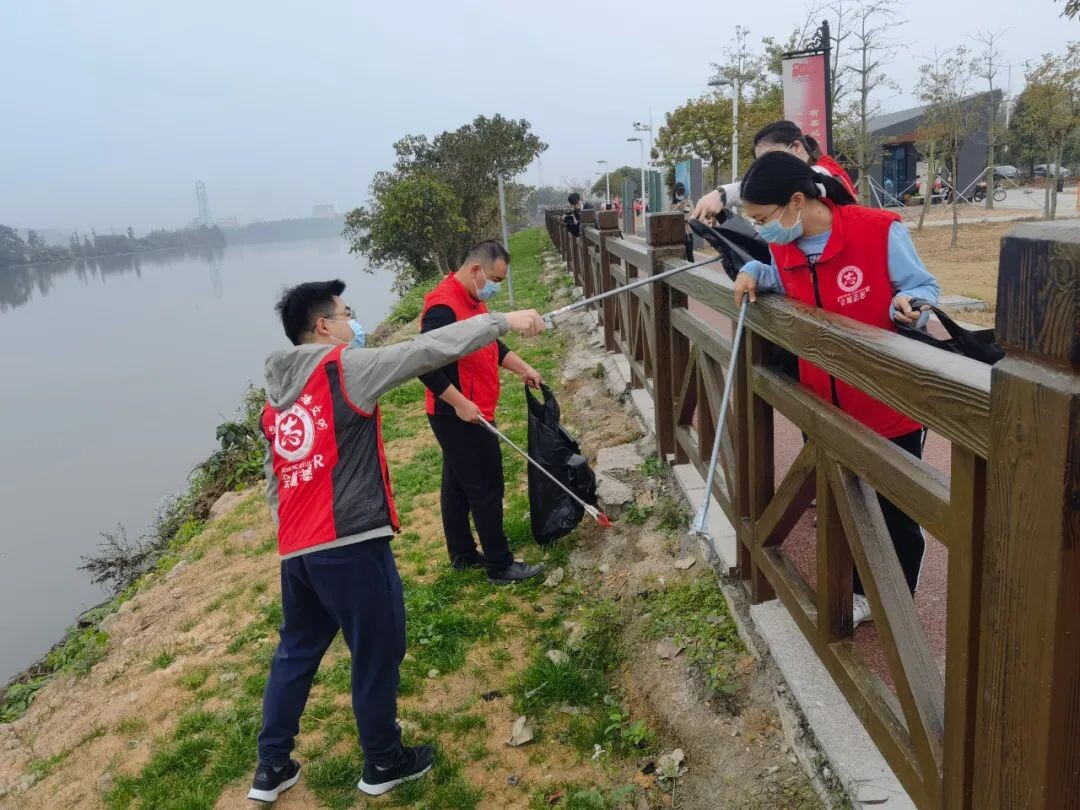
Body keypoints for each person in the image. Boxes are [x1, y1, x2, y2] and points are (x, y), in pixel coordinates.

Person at [249, 279, 546, 802]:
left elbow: (276, 483)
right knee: (377, 651)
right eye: (345, 313)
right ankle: (384, 760)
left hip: (298, 551)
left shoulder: (276, 400)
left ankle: (271, 767)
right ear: (323, 326)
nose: (352, 322)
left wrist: (298, 531)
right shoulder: (344, 367)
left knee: (295, 652)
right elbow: (424, 351)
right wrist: (502, 322)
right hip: (350, 545)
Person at [731, 151, 940, 629]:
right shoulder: (782, 245)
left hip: (890, 402)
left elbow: (923, 287)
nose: (761, 230)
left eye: (763, 219)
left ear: (797, 202)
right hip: (821, 402)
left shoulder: (879, 230)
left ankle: (897, 601)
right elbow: (775, 274)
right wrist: (752, 270)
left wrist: (914, 303)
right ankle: (859, 588)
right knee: (841, 502)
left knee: (896, 512)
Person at [420, 241, 546, 585]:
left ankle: (462, 554)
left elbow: (492, 343)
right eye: (494, 279)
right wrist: (461, 404)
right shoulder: (442, 308)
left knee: (458, 484)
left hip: (474, 407)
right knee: (486, 486)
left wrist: (523, 368)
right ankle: (500, 564)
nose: (495, 287)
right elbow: (425, 366)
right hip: (458, 414)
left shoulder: (475, 301)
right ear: (476, 270)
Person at [693, 120, 858, 221]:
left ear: (796, 147)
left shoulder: (825, 172)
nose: (768, 169)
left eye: (772, 157)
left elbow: (778, 184)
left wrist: (723, 194)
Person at [670, 182, 695, 261]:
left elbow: (689, 216)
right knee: (679, 256)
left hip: (687, 233)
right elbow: (669, 217)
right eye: (679, 192)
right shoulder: (671, 204)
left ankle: (692, 271)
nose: (681, 194)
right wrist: (677, 206)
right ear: (675, 192)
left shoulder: (688, 202)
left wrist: (679, 215)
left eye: (682, 192)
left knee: (689, 254)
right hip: (676, 233)